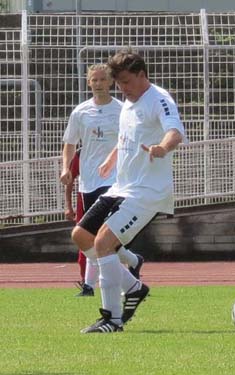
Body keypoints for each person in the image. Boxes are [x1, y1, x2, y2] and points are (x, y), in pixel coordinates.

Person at [72, 51, 186, 333]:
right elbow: (128, 137)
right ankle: (133, 287)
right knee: (80, 236)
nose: (122, 88)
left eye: (125, 82)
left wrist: (163, 147)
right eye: (119, 83)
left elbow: (175, 132)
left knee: (103, 244)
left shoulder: (159, 99)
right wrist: (113, 157)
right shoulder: (128, 103)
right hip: (120, 186)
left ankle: (112, 319)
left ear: (141, 74)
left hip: (146, 192)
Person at [60, 64, 144, 297]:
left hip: (116, 181)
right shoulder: (80, 112)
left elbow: (131, 139)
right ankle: (131, 260)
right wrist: (66, 168)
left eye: (102, 80)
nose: (97, 84)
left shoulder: (122, 110)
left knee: (103, 236)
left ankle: (98, 286)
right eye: (93, 80)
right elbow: (69, 143)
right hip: (88, 182)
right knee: (90, 236)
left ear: (110, 82)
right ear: (89, 83)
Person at [64, 151, 88, 291]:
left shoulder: (111, 149)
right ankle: (86, 281)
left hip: (109, 199)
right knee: (83, 240)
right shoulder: (80, 155)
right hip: (84, 202)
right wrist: (68, 206)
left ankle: (131, 277)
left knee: (114, 241)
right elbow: (70, 180)